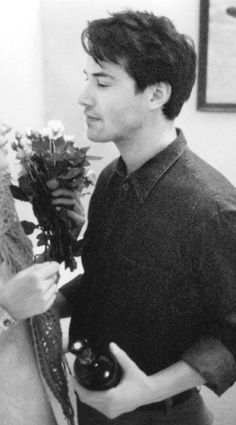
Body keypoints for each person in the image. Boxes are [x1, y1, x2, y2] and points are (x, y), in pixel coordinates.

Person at [56, 10, 236, 425]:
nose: (84, 96)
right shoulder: (110, 180)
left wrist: (150, 390)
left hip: (162, 416)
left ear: (155, 95)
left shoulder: (211, 209)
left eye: (101, 82)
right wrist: (35, 305)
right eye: (89, 79)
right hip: (94, 405)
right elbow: (106, 284)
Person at [0, 125, 84, 425]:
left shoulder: (3, 215)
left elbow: (12, 277)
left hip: (40, 397)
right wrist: (6, 312)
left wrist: (61, 243)